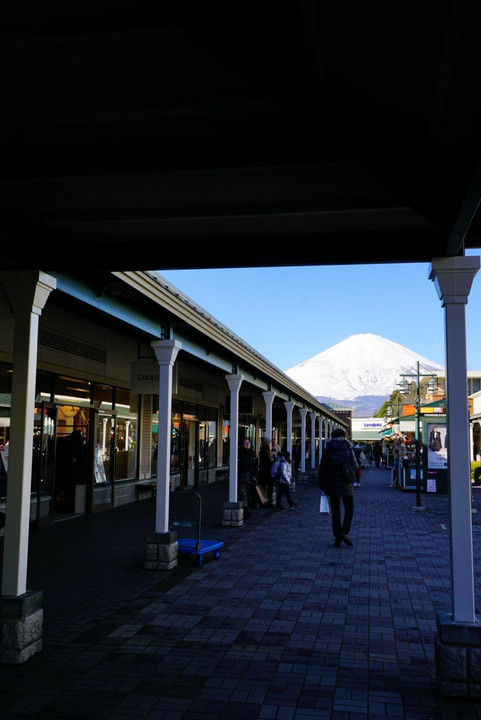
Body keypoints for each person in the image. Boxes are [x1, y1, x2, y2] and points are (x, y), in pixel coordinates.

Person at [318, 428, 358, 547]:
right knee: (349, 508)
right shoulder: (348, 448)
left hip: (331, 483)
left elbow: (323, 468)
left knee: (335, 511)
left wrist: (322, 484)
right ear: (344, 436)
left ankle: (338, 537)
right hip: (346, 483)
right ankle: (344, 531)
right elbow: (354, 465)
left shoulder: (327, 449)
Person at [238, 439, 258, 508]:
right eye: (246, 443)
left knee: (250, 490)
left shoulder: (252, 453)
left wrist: (254, 475)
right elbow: (242, 463)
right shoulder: (240, 453)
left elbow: (254, 465)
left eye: (248, 443)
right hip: (243, 474)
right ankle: (245, 506)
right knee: (243, 491)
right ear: (243, 444)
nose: (247, 444)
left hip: (250, 475)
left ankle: (250, 503)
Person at [259, 437, 274, 505]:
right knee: (267, 486)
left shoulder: (264, 450)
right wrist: (273, 462)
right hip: (266, 471)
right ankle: (266, 501)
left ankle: (264, 501)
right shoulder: (265, 451)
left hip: (264, 471)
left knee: (264, 486)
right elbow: (268, 461)